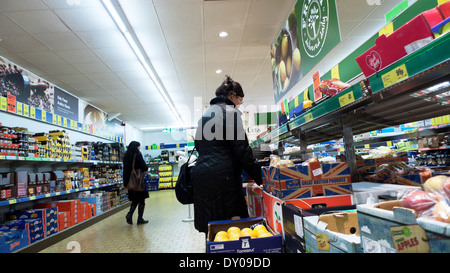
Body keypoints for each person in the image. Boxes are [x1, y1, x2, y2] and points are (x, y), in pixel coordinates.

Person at [191, 75, 263, 234]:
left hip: (202, 177)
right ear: (232, 96)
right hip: (224, 180)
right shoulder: (231, 113)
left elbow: (199, 147)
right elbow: (242, 150)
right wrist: (262, 178)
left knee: (212, 227)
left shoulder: (204, 116)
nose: (239, 105)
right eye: (240, 100)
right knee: (233, 228)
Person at [123, 141, 149, 225]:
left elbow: (125, 171)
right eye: (139, 146)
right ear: (136, 147)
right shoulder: (137, 154)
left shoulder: (126, 156)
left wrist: (125, 184)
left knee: (134, 200)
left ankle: (130, 215)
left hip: (130, 183)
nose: (139, 148)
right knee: (141, 200)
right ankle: (140, 219)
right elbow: (144, 167)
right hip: (138, 182)